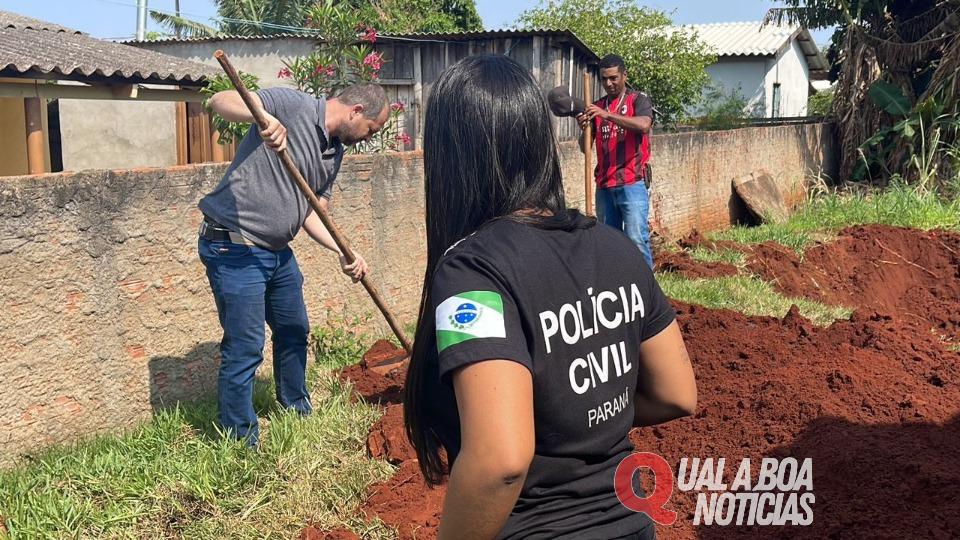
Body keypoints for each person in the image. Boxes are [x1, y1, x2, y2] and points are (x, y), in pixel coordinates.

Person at [404, 55, 697, 540]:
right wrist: (575, 411)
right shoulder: (616, 248)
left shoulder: (471, 271)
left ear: (449, 157)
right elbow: (676, 394)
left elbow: (499, 462)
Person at [198, 83, 388, 445]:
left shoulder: (334, 154)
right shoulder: (292, 104)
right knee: (246, 346)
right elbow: (219, 100)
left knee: (294, 329)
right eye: (371, 130)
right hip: (234, 246)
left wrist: (345, 252)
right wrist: (264, 118)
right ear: (356, 111)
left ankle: (296, 407)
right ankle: (239, 441)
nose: (367, 138)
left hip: (276, 251)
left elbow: (312, 213)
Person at [579, 54, 656, 269]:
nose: (608, 83)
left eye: (613, 78)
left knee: (636, 238)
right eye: (604, 79)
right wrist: (584, 127)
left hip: (632, 181)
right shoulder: (596, 106)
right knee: (608, 243)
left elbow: (643, 125)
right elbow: (585, 148)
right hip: (604, 185)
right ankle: (617, 287)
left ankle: (647, 291)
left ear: (624, 76)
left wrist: (608, 115)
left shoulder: (638, 100)